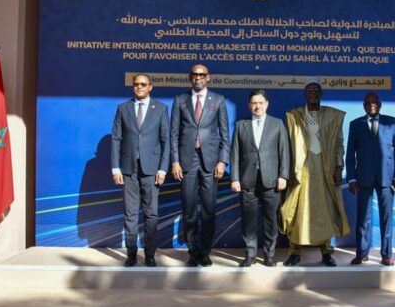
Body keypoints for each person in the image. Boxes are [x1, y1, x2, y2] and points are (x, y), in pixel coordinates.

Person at [279, 82, 350, 267]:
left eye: (316, 90)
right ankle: (294, 252)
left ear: (321, 94)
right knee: (298, 210)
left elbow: (339, 143)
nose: (313, 93)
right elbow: (286, 146)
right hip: (300, 168)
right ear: (304, 94)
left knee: (326, 211)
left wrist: (339, 167)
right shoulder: (294, 115)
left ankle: (326, 253)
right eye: (309, 91)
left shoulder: (333, 115)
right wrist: (288, 171)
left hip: (325, 168)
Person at [170, 64, 230, 267]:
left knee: (208, 209)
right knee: (188, 209)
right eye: (194, 74)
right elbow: (173, 134)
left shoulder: (218, 100)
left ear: (208, 77)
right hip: (187, 161)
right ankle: (193, 251)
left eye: (201, 75)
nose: (198, 77)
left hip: (210, 162)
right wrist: (175, 161)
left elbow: (225, 134)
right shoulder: (180, 100)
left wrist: (222, 161)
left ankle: (205, 251)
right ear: (190, 77)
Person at [111, 73, 170, 267]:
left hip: (152, 169)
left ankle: (150, 254)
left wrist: (163, 169)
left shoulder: (160, 108)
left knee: (151, 213)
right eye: (136, 84)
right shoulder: (123, 108)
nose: (139, 87)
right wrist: (115, 168)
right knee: (130, 214)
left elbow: (166, 140)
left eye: (143, 84)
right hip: (128, 169)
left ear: (150, 87)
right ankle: (131, 254)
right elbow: (116, 139)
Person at [230, 89, 290, 267]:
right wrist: (234, 178)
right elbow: (235, 154)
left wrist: (283, 175)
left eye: (261, 103)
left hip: (271, 180)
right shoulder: (241, 125)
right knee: (248, 219)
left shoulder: (277, 124)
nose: (257, 106)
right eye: (254, 103)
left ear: (267, 104)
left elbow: (284, 152)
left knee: (270, 219)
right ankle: (250, 254)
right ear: (249, 105)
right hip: (247, 180)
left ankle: (269, 254)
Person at [346, 92, 395, 266]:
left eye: (374, 102)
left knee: (386, 218)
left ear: (379, 104)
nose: (371, 104)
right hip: (363, 177)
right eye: (367, 102)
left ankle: (386, 255)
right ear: (364, 105)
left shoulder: (392, 122)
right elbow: (350, 154)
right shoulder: (355, 124)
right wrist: (351, 178)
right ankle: (362, 253)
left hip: (387, 178)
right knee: (363, 218)